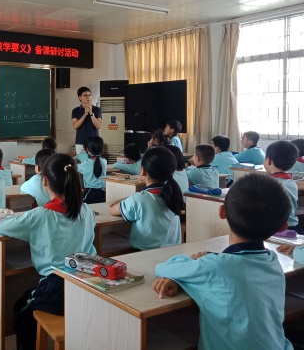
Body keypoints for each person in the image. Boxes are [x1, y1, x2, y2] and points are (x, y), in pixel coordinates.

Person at [152, 174, 293, 350]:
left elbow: (162, 268)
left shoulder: (214, 266)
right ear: (282, 227)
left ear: (222, 212)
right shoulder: (273, 261)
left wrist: (192, 260)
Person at [0, 153, 96, 350]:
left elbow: (1, 228)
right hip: (87, 281)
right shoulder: (86, 211)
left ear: (44, 181)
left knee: (22, 310)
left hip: (57, 286)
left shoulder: (40, 215)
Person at [109, 146, 184, 250]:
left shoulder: (139, 199)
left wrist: (122, 200)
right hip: (172, 253)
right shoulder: (173, 194)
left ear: (143, 170)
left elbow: (112, 210)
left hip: (144, 254)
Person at [263, 140, 300, 232]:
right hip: (294, 227)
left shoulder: (268, 184)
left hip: (277, 230)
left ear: (269, 160)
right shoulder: (291, 182)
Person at [71, 87, 102, 155]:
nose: (88, 97)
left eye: (89, 95)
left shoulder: (97, 109)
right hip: (81, 142)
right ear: (80, 97)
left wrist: (91, 113)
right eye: (85, 95)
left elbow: (98, 126)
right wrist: (85, 114)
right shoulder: (76, 110)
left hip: (94, 142)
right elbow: (75, 126)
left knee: (95, 160)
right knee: (81, 161)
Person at [78, 136, 107, 204]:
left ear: (87, 149)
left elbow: (76, 168)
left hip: (91, 192)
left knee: (82, 205)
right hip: (103, 191)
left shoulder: (86, 163)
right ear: (102, 149)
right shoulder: (104, 161)